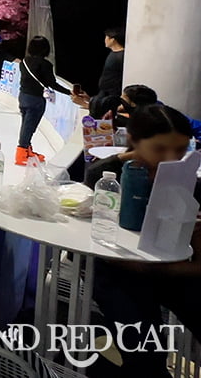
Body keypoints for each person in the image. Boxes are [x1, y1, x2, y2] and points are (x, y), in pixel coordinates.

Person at [84, 104, 201, 378]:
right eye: (160, 149)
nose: (172, 158)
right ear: (135, 140)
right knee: (146, 354)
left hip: (173, 268)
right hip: (119, 271)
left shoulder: (188, 177)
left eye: (181, 150)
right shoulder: (105, 175)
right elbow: (92, 236)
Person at [16, 36, 71, 165]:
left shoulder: (24, 61)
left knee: (26, 125)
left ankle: (27, 149)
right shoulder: (45, 65)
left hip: (23, 96)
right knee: (29, 126)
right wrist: (69, 92)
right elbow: (52, 84)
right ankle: (21, 153)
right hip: (36, 100)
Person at [73, 28, 126, 117]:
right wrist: (90, 100)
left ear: (112, 39)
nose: (105, 40)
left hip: (110, 97)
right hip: (104, 95)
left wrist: (86, 104)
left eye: (106, 37)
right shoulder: (114, 54)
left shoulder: (121, 56)